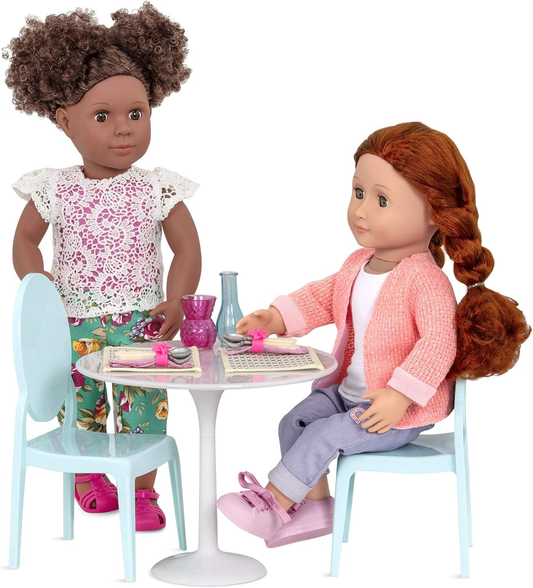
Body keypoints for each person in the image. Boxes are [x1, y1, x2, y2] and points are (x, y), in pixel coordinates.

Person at [216, 122, 530, 548]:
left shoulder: (426, 281)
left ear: (435, 213)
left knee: (322, 435)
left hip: (396, 413)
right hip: (347, 394)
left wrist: (401, 395)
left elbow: (439, 344)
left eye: (382, 200)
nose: (361, 210)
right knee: (295, 421)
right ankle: (318, 507)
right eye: (358, 192)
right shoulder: (358, 262)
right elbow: (323, 295)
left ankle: (273, 505)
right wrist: (277, 317)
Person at [5, 3, 201, 530]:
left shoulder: (156, 186)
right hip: (73, 322)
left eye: (136, 114)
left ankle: (142, 491)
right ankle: (89, 475)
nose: (123, 130)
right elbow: (24, 239)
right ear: (63, 121)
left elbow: (186, 249)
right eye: (101, 117)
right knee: (80, 402)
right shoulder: (54, 187)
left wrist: (177, 300)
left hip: (142, 321)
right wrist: (37, 279)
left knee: (145, 405)